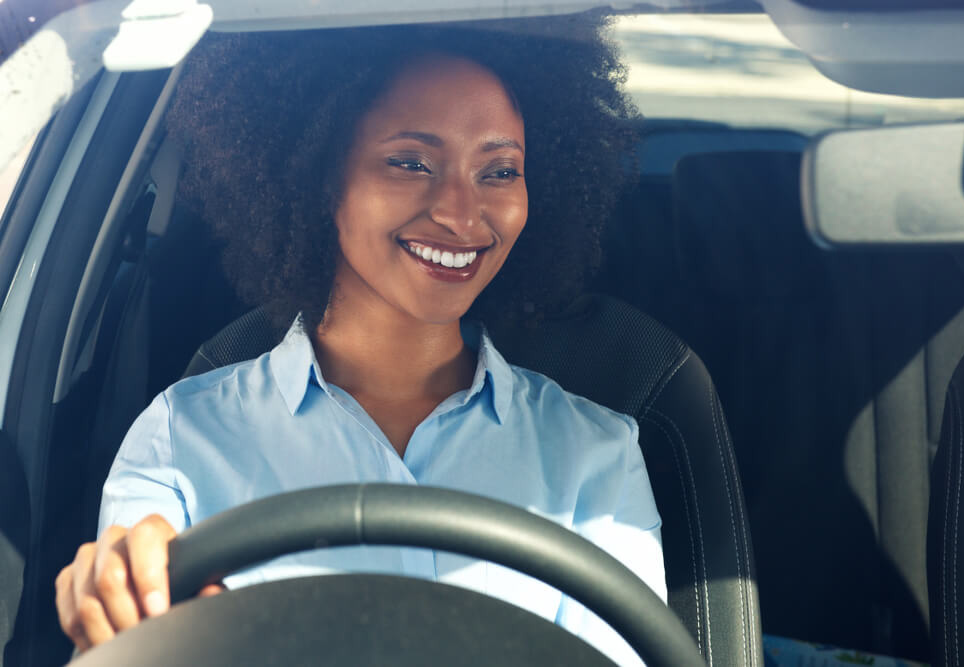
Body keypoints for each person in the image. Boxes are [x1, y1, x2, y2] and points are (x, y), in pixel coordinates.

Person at [54, 14, 667, 665]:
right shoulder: (181, 439)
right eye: (410, 162)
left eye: (499, 170)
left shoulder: (595, 457)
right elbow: (131, 631)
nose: (462, 213)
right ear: (318, 176)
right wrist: (114, 598)